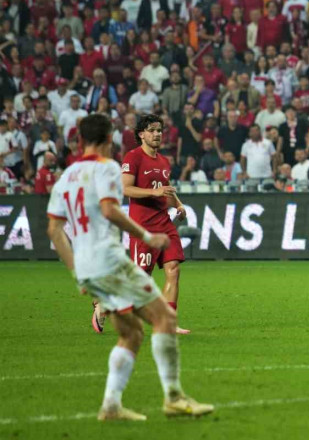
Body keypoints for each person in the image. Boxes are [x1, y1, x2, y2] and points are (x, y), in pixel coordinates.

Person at [46, 113, 212, 421]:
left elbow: (55, 231)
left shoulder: (66, 177)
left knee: (132, 333)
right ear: (109, 139)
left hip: (87, 266)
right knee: (163, 316)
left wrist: (76, 272)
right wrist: (146, 235)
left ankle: (111, 405)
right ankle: (174, 397)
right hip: (110, 260)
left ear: (80, 140)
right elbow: (111, 208)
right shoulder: (109, 167)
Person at [121, 114, 190, 335]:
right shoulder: (133, 158)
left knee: (173, 269)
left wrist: (178, 204)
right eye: (152, 130)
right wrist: (154, 191)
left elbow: (166, 188)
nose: (157, 134)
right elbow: (126, 189)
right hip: (143, 228)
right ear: (141, 134)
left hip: (164, 223)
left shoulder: (164, 161)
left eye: (159, 130)